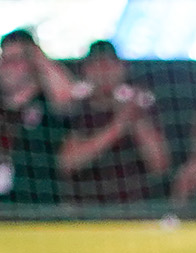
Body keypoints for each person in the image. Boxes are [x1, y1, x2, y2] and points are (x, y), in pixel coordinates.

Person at [59, 41, 169, 207]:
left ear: (122, 68)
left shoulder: (142, 108)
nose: (104, 72)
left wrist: (135, 116)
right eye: (98, 66)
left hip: (135, 208)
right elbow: (68, 163)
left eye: (110, 65)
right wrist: (119, 125)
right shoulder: (76, 109)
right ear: (86, 70)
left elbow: (160, 165)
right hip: (86, 209)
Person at [0, 28, 77, 206]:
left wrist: (37, 55)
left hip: (40, 211)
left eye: (15, 60)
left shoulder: (48, 105)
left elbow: (68, 97)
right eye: (3, 60)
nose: (6, 66)